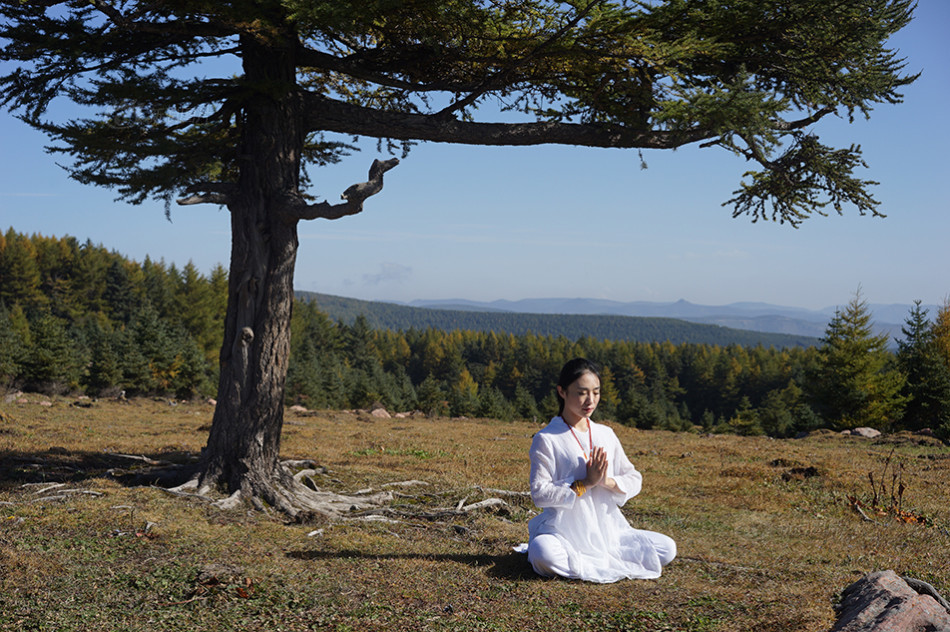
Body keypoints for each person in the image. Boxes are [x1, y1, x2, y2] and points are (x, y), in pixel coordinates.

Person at [524, 358, 676, 583]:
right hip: (563, 532)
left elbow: (634, 477)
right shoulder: (547, 438)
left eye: (596, 392)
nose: (590, 400)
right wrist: (585, 483)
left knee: (667, 548)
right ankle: (588, 561)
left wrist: (607, 482)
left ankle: (596, 560)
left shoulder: (606, 434)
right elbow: (539, 493)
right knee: (543, 553)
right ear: (562, 392)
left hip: (609, 532)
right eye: (582, 392)